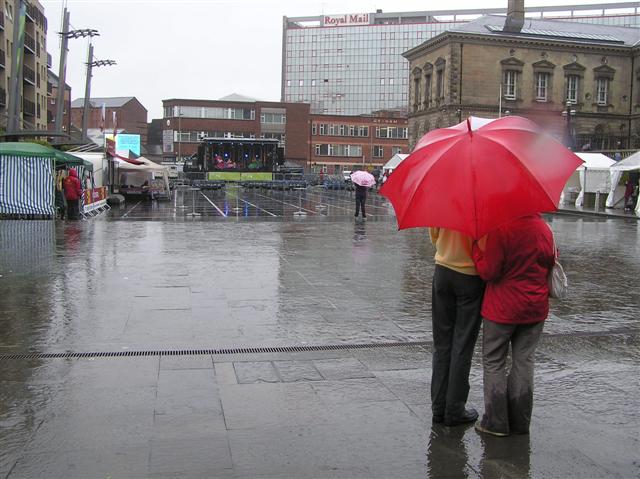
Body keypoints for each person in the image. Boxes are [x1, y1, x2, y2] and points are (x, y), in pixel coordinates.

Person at [471, 214, 555, 437]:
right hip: (535, 307)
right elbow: (550, 262)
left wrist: (477, 252)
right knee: (524, 360)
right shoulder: (543, 229)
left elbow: (489, 271)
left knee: (494, 360)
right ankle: (520, 422)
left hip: (503, 308)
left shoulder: (502, 228)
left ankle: (496, 422)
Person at [429, 227, 485, 426]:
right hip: (469, 276)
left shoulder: (443, 197)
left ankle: (438, 408)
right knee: (462, 344)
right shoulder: (481, 203)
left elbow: (434, 237)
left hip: (442, 271)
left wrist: (447, 248)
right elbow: (484, 246)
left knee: (442, 343)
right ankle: (454, 410)